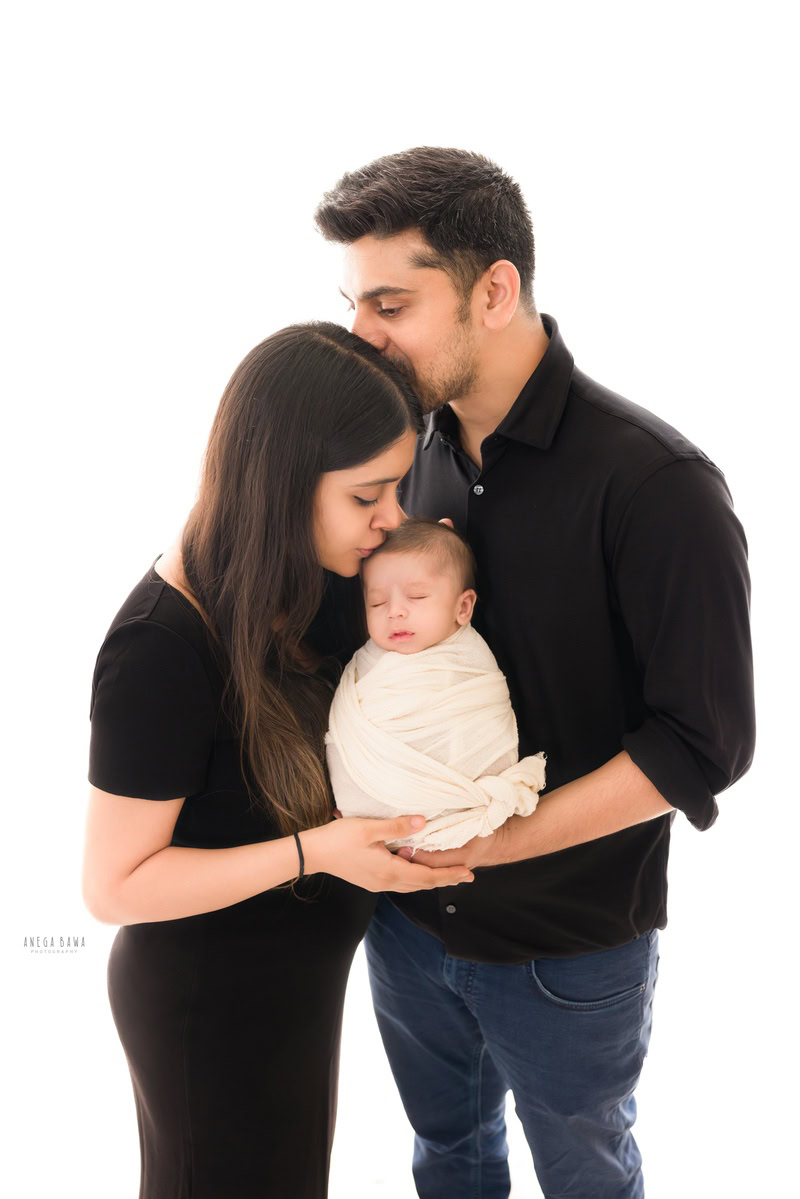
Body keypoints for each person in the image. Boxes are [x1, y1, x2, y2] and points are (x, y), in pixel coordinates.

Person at [315, 148, 756, 1198]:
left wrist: (493, 841)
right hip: (404, 930)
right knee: (447, 1159)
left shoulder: (657, 485)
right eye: (350, 303)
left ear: (494, 290)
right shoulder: (399, 457)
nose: (360, 335)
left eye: (390, 302)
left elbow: (701, 743)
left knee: (584, 1174)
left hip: (567, 950)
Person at [80, 321, 476, 1199]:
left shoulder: (311, 579)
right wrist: (318, 851)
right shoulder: (158, 648)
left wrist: (433, 584)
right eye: (369, 496)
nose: (391, 517)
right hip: (208, 1013)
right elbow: (113, 887)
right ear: (283, 485)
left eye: (398, 488)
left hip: (288, 1001)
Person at [325, 517, 547, 852]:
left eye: (416, 596)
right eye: (377, 602)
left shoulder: (466, 667)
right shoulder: (366, 663)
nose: (395, 611)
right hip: (358, 838)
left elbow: (482, 736)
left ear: (463, 606)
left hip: (453, 828)